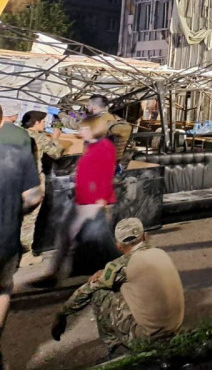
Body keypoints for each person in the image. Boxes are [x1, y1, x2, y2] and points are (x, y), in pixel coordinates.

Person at [51, 218, 184, 357]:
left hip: (148, 339)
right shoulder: (160, 253)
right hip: (174, 329)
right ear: (145, 236)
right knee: (125, 287)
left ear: (119, 246)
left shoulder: (121, 265)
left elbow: (87, 289)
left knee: (100, 294)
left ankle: (114, 348)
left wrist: (62, 313)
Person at [36, 116, 117, 286]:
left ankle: (56, 275)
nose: (81, 132)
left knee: (90, 240)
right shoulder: (95, 146)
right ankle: (56, 275)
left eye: (84, 129)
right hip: (85, 200)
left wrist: (98, 202)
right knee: (76, 237)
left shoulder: (102, 147)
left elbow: (104, 175)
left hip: (92, 202)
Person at [0, 103, 42, 368]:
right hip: (4, 238)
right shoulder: (18, 151)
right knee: (2, 289)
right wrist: (17, 212)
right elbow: (35, 196)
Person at [20, 111, 64, 251]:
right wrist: (55, 138)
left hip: (15, 181)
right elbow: (56, 154)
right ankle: (25, 252)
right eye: (43, 122)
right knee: (29, 220)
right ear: (36, 123)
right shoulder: (39, 138)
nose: (45, 124)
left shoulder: (18, 134)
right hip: (33, 182)